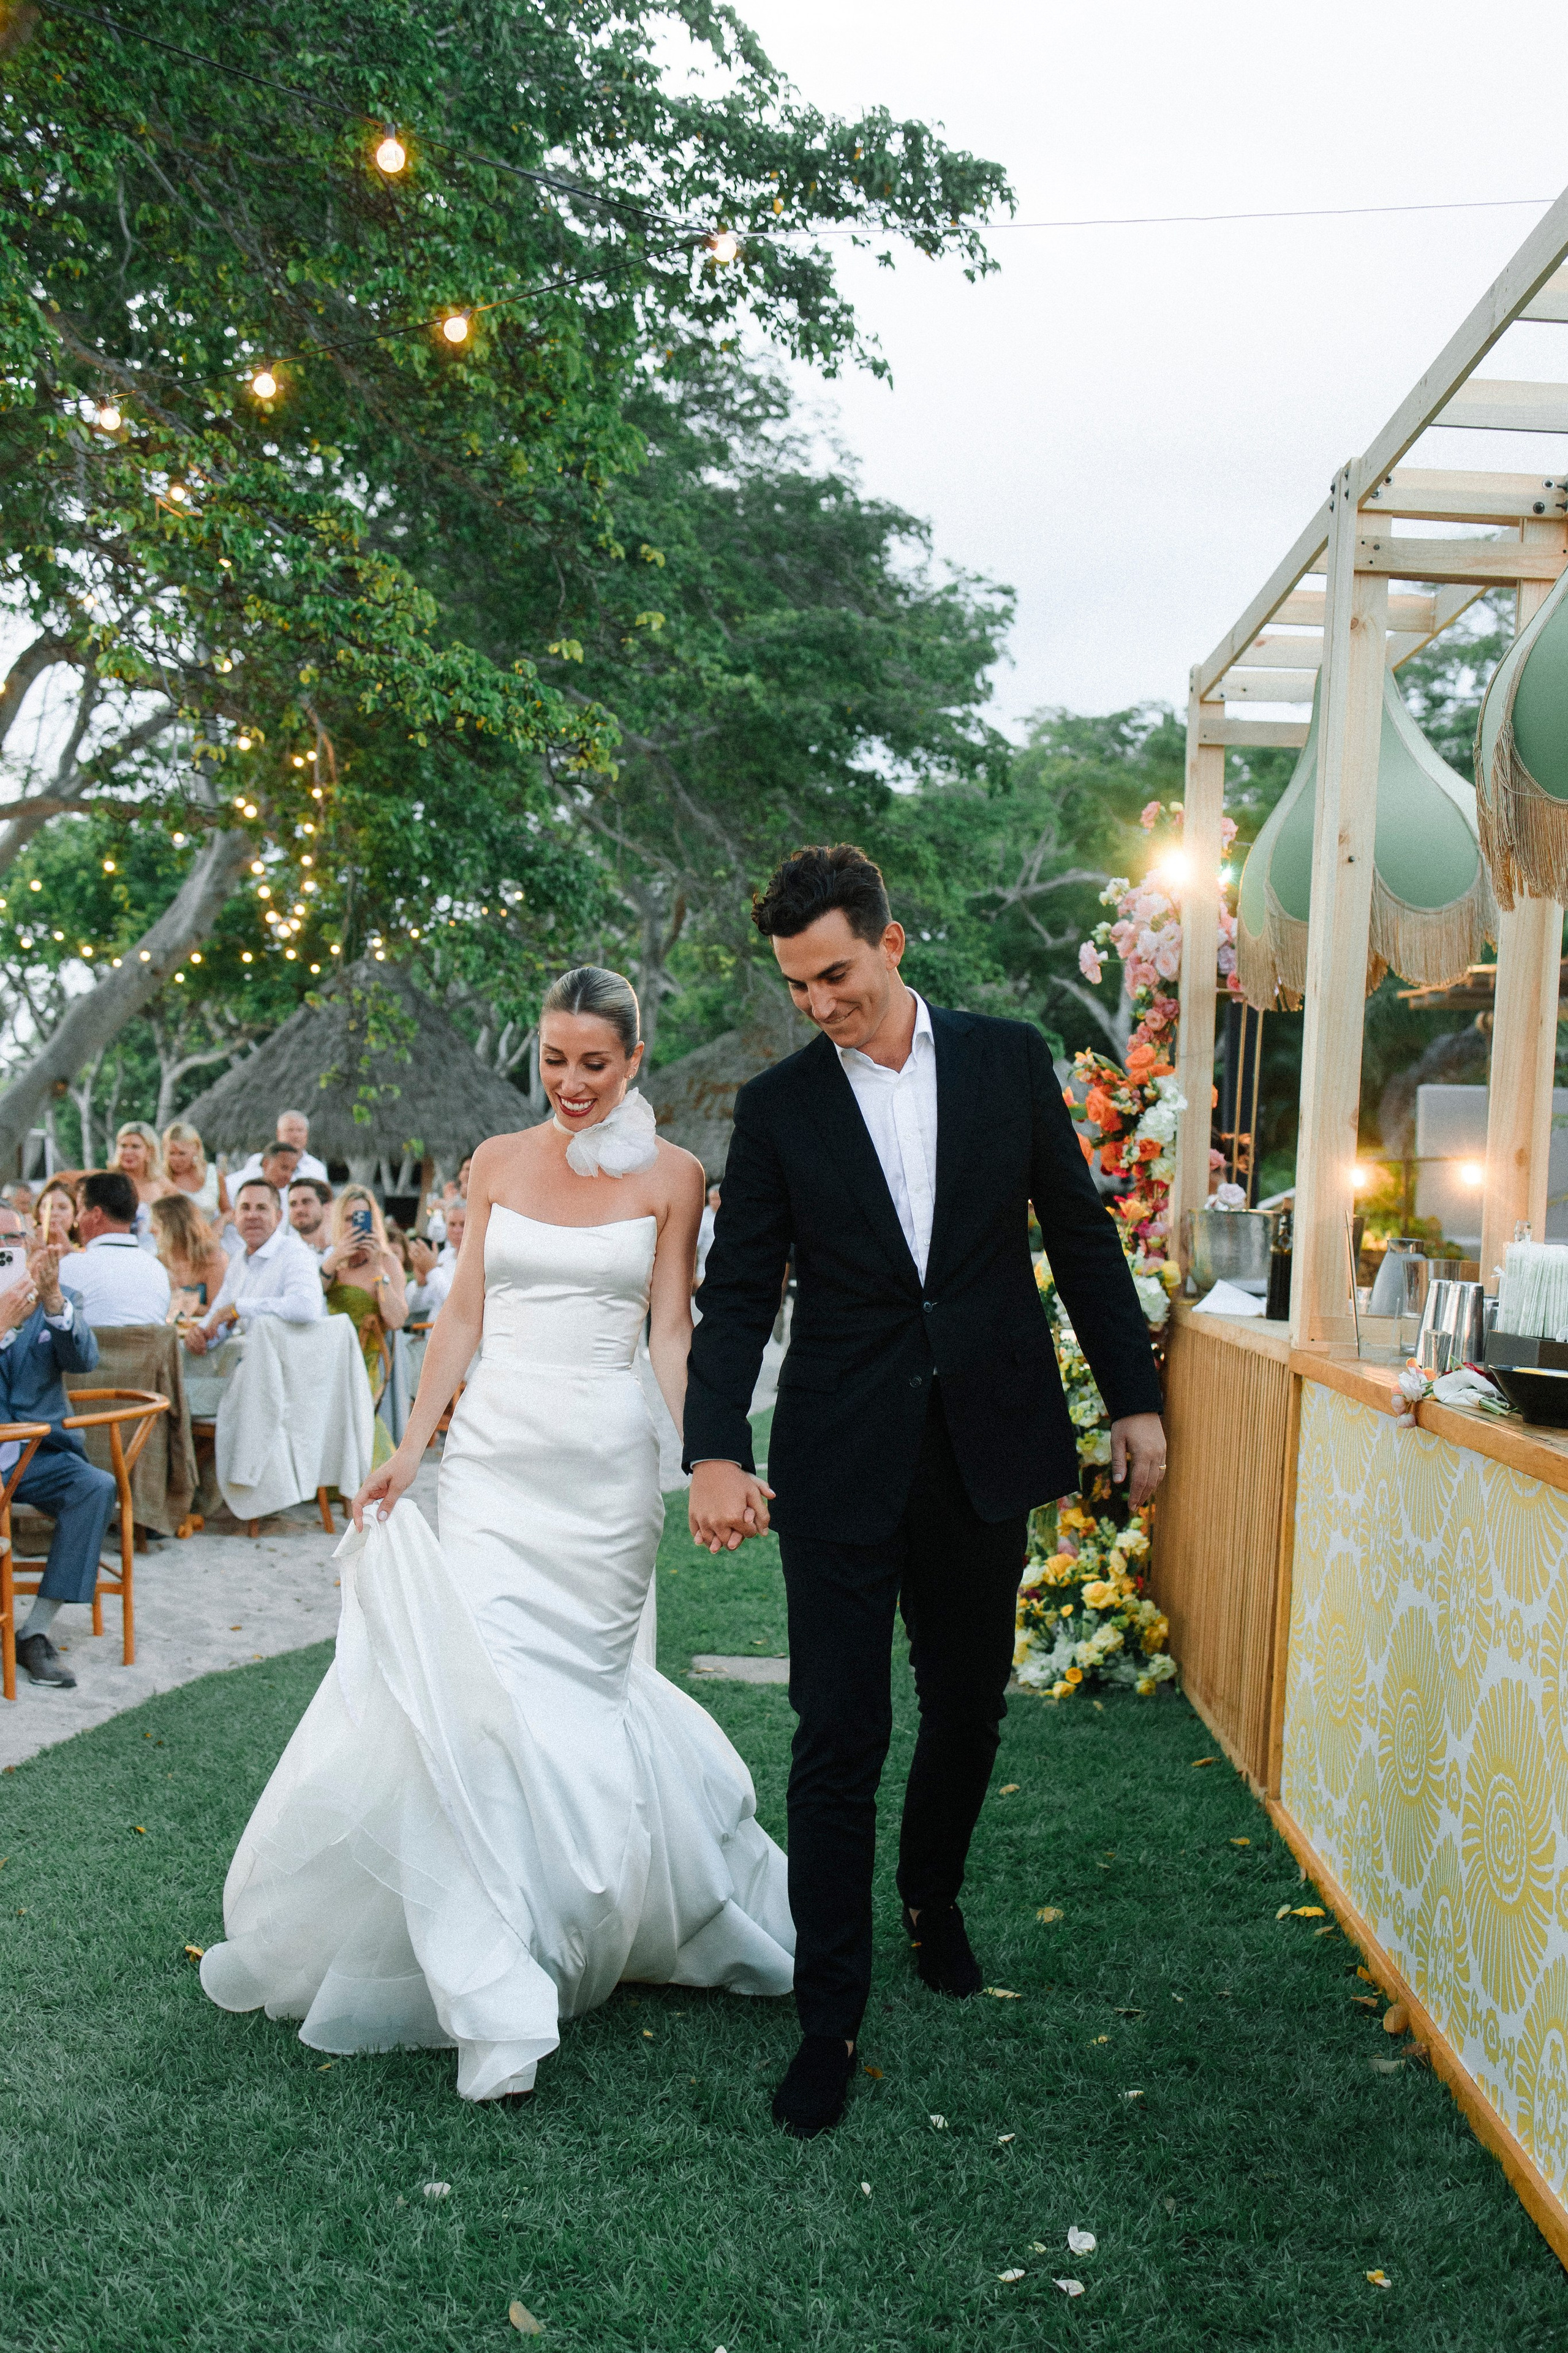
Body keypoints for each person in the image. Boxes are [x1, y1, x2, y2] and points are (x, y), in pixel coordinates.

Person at [200, 964, 792, 2099]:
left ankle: (574, 1916)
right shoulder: (495, 1161)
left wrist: (709, 1455)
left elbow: (671, 1332)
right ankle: (489, 1982)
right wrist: (413, 1448)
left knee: (576, 1699)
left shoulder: (676, 1176)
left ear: (634, 1060)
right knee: (474, 1702)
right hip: (490, 1467)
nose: (571, 1081)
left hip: (605, 1474)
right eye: (554, 1058)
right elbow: (464, 1309)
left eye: (595, 1063)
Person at [684, 844, 1167, 2140]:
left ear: (890, 945)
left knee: (966, 1708)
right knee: (837, 1736)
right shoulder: (779, 1108)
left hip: (984, 1445)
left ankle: (930, 1895)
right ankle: (828, 2018)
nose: (818, 1004)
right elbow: (739, 1291)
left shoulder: (1008, 1060)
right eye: (797, 985)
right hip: (839, 1459)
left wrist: (1134, 1400)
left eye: (834, 975)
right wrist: (714, 1446)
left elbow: (1079, 1236)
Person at [0, 1198, 114, 1691]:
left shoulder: (61, 1296)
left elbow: (84, 1359)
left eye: (12, 1237)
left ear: (30, 1242)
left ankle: (36, 1629)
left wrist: (50, 1302)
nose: (5, 1247)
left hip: (37, 1455)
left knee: (96, 1486)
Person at [185, 1179, 325, 1352]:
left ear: (279, 1217)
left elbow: (306, 1307)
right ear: (235, 1217)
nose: (252, 1216)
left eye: (262, 1208)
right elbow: (220, 1313)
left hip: (292, 1360)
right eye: (245, 1208)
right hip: (254, 1358)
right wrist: (201, 1334)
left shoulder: (295, 1253)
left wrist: (240, 1308)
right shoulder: (238, 1260)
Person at [319, 1184, 409, 1396]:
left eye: (361, 1219)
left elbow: (396, 1320)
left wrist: (377, 1269)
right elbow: (312, 1299)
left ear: (373, 1222)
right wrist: (335, 1259)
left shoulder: (387, 1262)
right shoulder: (331, 1261)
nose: (355, 1226)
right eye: (348, 1219)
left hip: (366, 1367)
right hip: (327, 1361)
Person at [56, 1171, 173, 1326]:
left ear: (96, 1215)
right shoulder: (158, 1270)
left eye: (81, 1211)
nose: (77, 1219)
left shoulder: (69, 1267)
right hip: (148, 1343)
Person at [149, 1192, 230, 1320]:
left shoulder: (213, 1259)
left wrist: (182, 1302)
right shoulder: (158, 1262)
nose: (151, 1230)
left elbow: (218, 1312)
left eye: (156, 1223)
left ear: (174, 1228)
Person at [235, 1111, 328, 1187]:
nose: (295, 1135)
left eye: (300, 1130)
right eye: (290, 1130)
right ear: (279, 1133)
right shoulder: (257, 1161)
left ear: (307, 1134)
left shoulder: (317, 1168)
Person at [162, 1120, 228, 1219]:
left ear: (196, 1149)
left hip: (209, 1228)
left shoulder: (213, 1174)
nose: (176, 1159)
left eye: (182, 1153)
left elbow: (228, 1211)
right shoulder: (161, 1176)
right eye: (171, 1153)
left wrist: (220, 1223)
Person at [404, 1230, 453, 1320]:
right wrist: (421, 1284)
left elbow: (454, 1302)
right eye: (452, 1225)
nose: (457, 1230)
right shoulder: (444, 1256)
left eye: (462, 1225)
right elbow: (415, 1312)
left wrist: (432, 1270)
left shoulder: (435, 1271)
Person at [287, 1177, 333, 1259]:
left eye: (306, 1202)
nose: (299, 1210)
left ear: (327, 1207)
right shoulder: (285, 1251)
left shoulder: (344, 1243)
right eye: (293, 1204)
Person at [36, 1177, 80, 1253]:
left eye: (63, 1208)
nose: (54, 1213)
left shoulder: (84, 1254)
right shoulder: (27, 1251)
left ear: (75, 1214)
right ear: (38, 1214)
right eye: (49, 1207)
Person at [696, 1182, 721, 1284]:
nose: (716, 1202)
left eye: (718, 1199)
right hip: (704, 1269)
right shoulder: (703, 1216)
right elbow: (696, 1246)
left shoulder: (730, 1215)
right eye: (713, 1199)